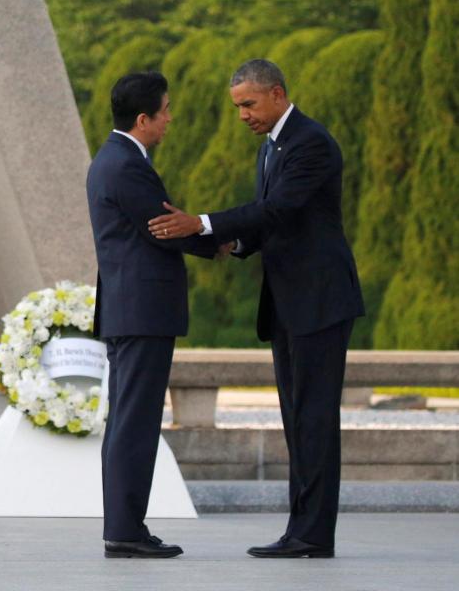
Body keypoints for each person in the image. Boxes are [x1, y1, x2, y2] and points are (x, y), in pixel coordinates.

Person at [148, 59, 364, 558]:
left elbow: (277, 209)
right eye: (237, 107)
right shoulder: (271, 148)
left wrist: (201, 224)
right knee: (296, 417)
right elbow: (270, 224)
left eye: (248, 104)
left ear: (278, 94)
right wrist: (234, 245)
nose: (242, 115)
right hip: (290, 302)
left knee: (313, 418)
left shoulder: (311, 142)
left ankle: (312, 536)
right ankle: (300, 531)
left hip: (320, 300)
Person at [86, 71, 221, 559]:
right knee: (135, 423)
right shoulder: (126, 165)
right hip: (142, 311)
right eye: (164, 111)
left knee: (129, 420)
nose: (169, 119)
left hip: (130, 310)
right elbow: (165, 227)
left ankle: (125, 526)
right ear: (143, 119)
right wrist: (225, 236)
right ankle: (124, 530)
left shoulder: (114, 159)